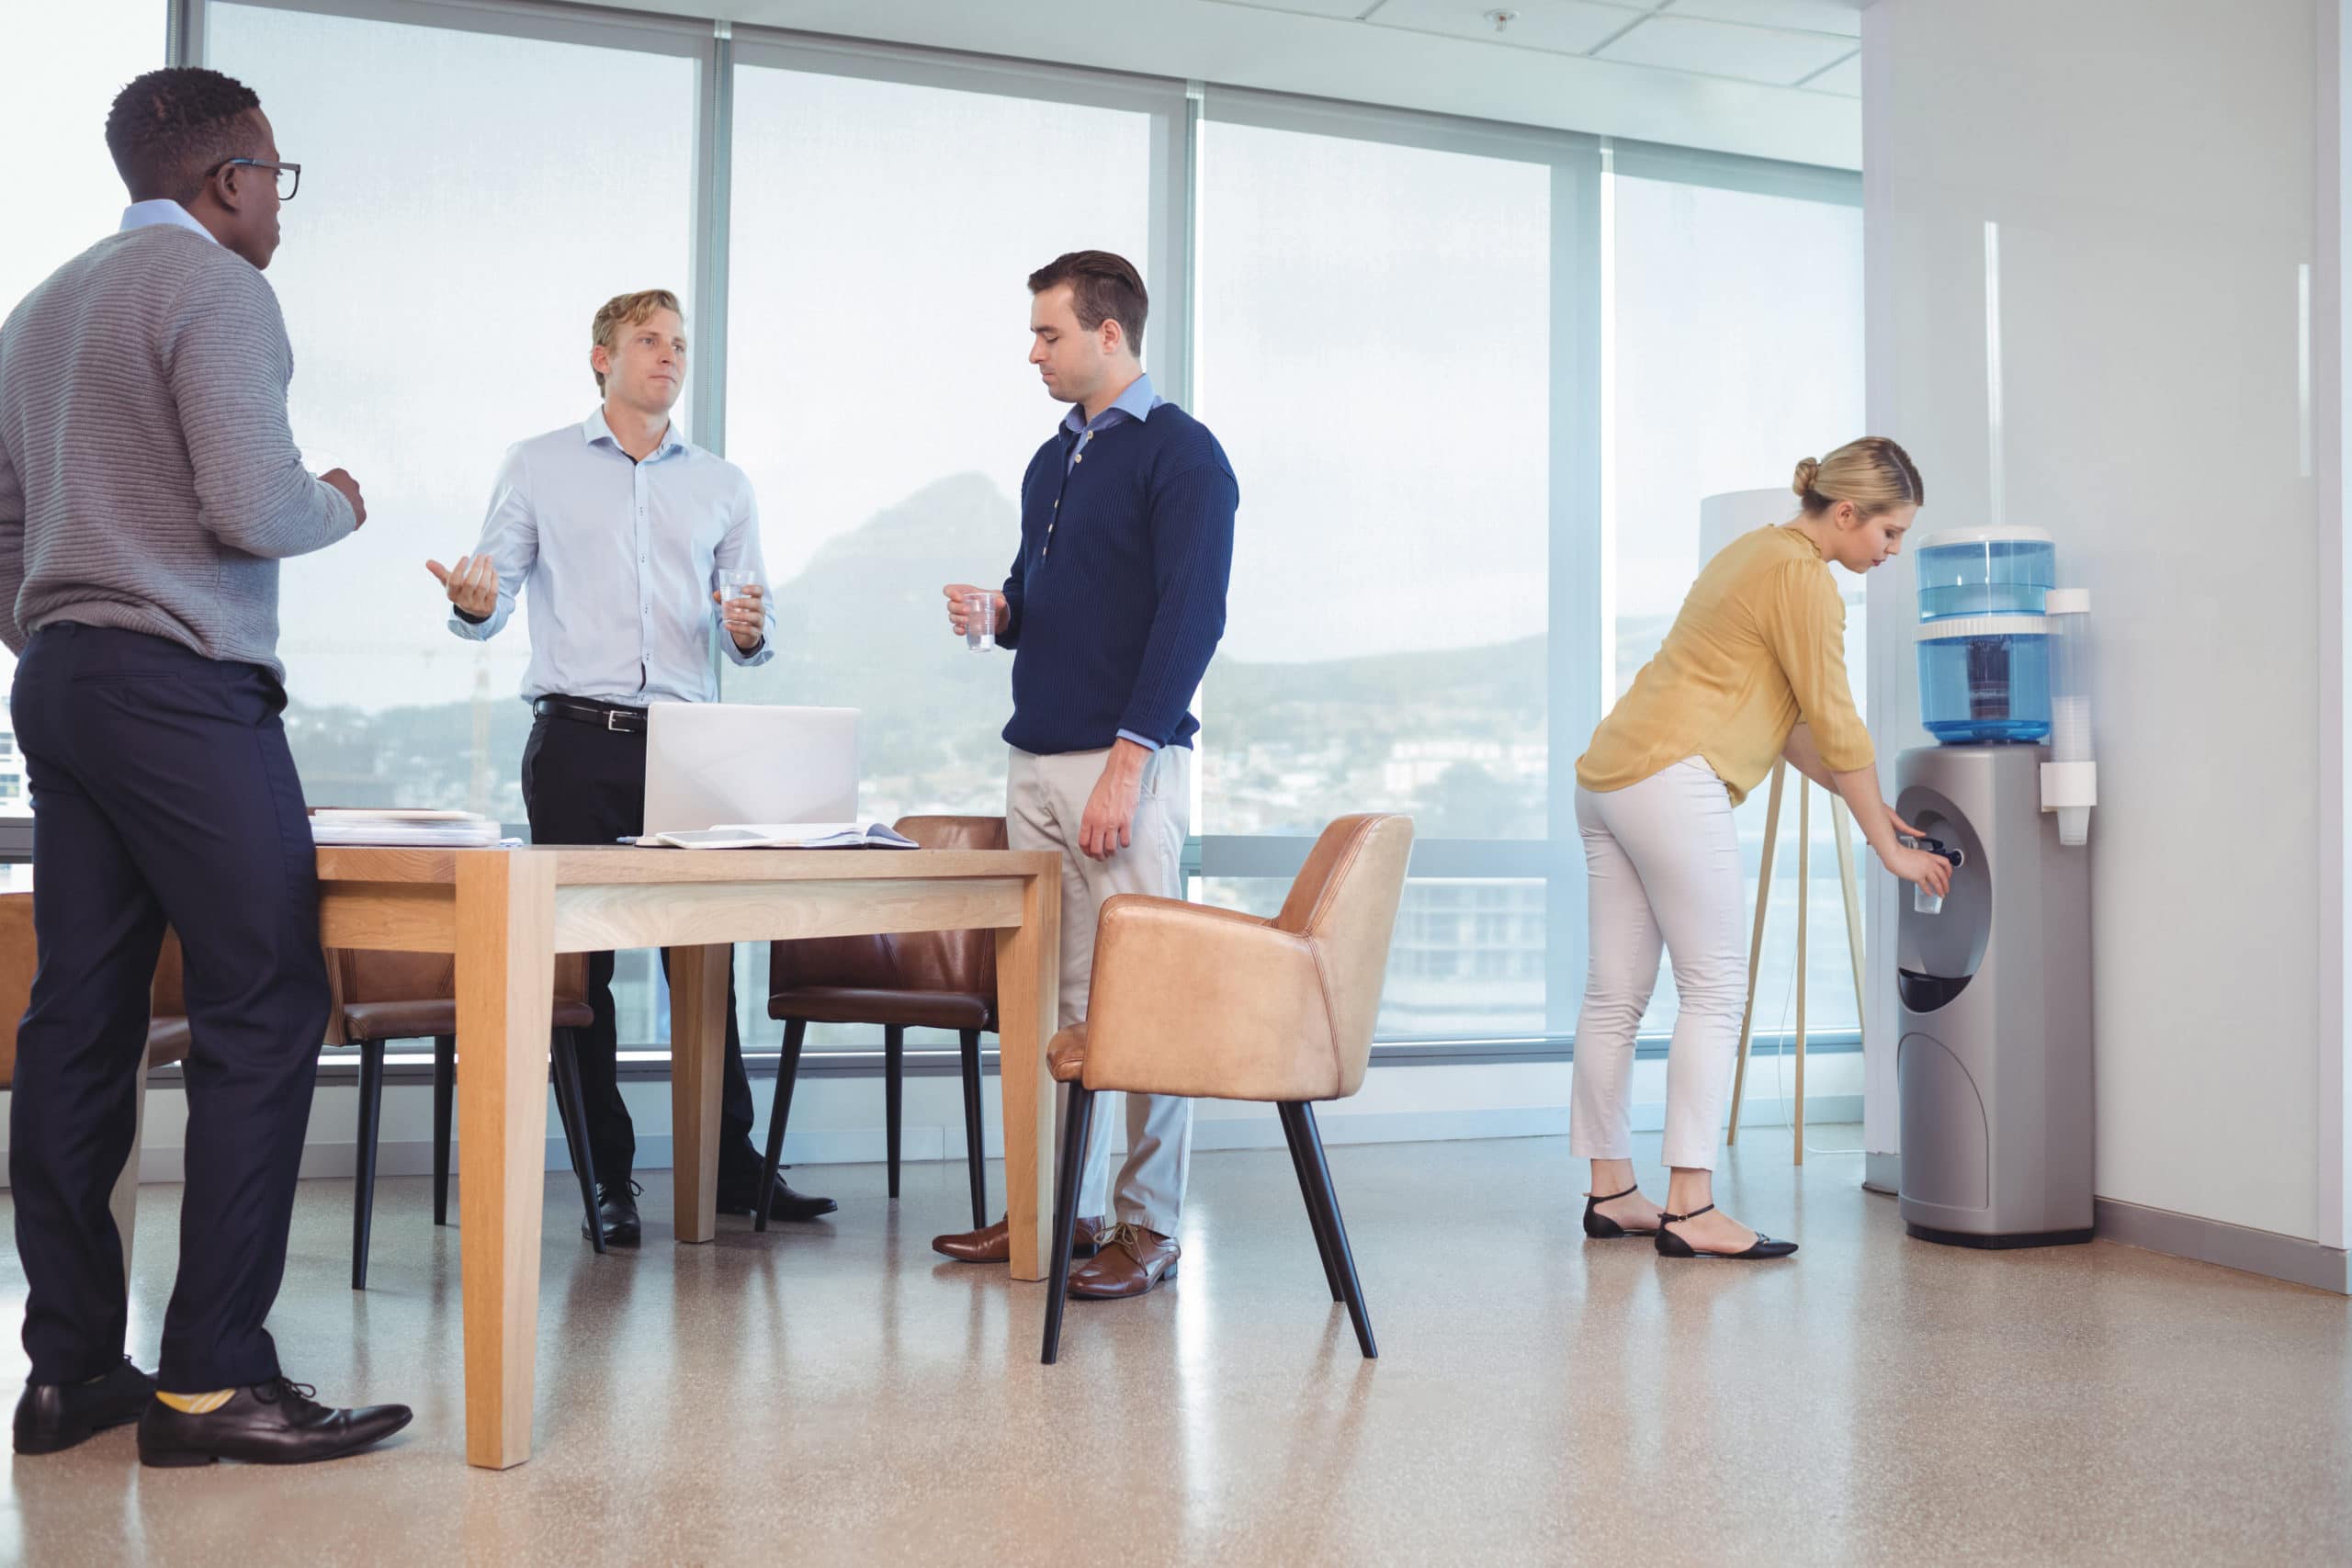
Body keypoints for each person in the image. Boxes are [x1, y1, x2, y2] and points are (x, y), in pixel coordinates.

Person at [0, 67, 412, 1465]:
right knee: (266, 996)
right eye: (275, 179)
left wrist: (71, 612)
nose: (278, 208)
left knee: (81, 1016)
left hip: (59, 681)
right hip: (177, 684)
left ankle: (68, 1374)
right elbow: (250, 503)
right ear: (228, 178)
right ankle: (208, 1378)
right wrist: (342, 506)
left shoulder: (42, 308)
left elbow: (5, 533)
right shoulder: (221, 291)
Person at [427, 288, 833, 1245]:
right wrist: (476, 603)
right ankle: (609, 1182)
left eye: (679, 343)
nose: (669, 356)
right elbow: (489, 595)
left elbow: (747, 632)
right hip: (574, 741)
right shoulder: (537, 467)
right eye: (648, 340)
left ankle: (731, 1169)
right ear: (601, 359)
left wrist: (750, 629)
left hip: (689, 747)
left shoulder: (723, 486)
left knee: (705, 956)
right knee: (583, 969)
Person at [932, 251, 1237, 1301]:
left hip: (1124, 766)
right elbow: (1039, 600)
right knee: (1050, 997)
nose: (1034, 351)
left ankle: (1149, 1229)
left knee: (1143, 1000)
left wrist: (1128, 764)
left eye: (1049, 333)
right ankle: (1055, 1211)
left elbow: (1190, 621)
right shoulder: (1047, 460)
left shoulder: (1185, 459)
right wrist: (1000, 616)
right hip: (1036, 758)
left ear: (1110, 335)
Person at [1571, 438, 1951, 1260]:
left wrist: (1873, 806)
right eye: (1890, 533)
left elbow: (1790, 732)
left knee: (1614, 998)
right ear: (1845, 513)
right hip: (1673, 779)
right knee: (1714, 990)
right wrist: (1885, 844)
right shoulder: (1805, 580)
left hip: (1610, 776)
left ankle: (1612, 1192)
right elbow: (1838, 720)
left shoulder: (1750, 553)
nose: (1891, 553)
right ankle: (1691, 1205)